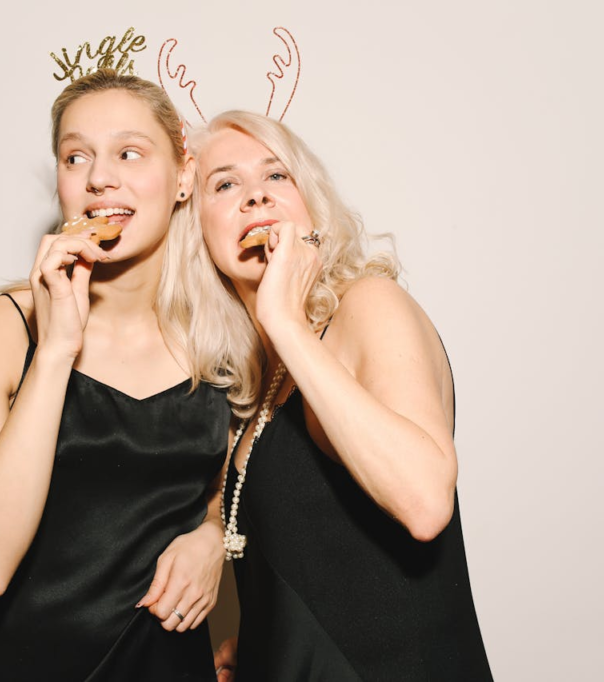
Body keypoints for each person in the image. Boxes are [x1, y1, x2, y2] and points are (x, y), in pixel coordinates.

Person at [0, 69, 231, 681]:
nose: (100, 177)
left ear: (182, 176)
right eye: (76, 156)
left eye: (129, 152)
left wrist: (213, 540)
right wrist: (55, 353)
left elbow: (229, 494)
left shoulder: (223, 341)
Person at [186, 111, 494, 681]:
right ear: (198, 229)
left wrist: (286, 322)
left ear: (312, 207)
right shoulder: (255, 389)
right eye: (225, 184)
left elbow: (425, 502)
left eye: (277, 176)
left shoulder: (367, 305)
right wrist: (261, 648)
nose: (256, 197)